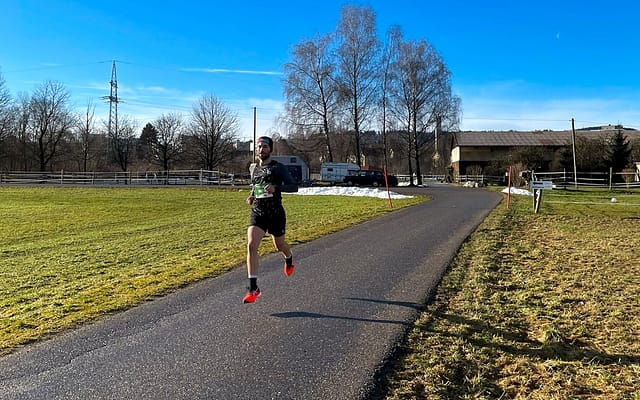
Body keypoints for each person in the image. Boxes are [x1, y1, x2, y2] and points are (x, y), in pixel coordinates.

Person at [243, 136, 298, 303]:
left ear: (270, 149)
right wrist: (252, 196)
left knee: (279, 245)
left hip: (275, 213)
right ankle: (253, 288)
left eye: (265, 146)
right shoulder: (253, 168)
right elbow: (256, 185)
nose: (261, 149)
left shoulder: (278, 168)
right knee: (251, 245)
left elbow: (293, 187)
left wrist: (276, 188)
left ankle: (289, 258)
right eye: (259, 147)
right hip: (259, 212)